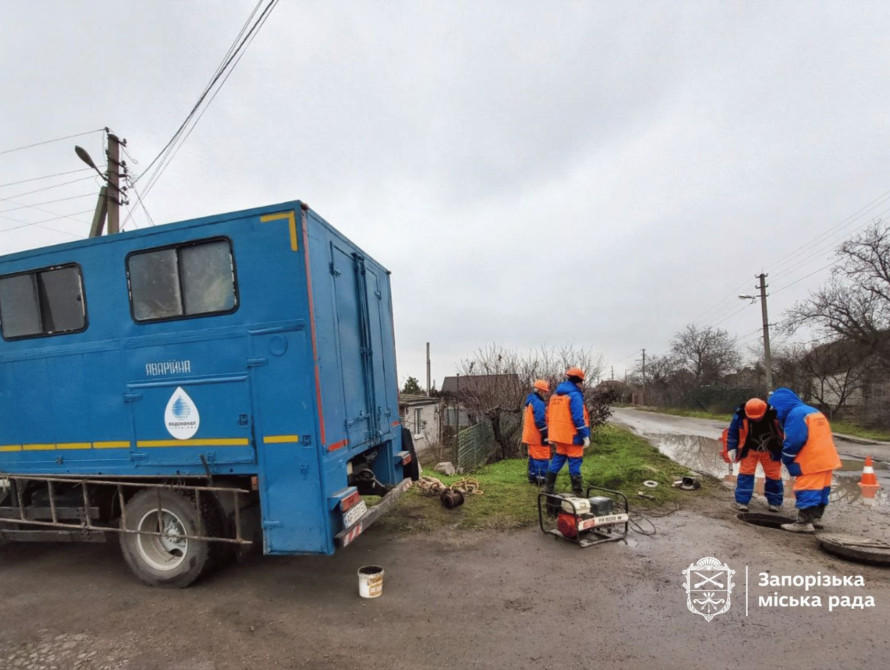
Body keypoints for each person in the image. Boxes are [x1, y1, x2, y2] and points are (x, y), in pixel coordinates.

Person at [768, 387, 842, 533]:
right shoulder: (812, 411)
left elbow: (794, 440)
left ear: (781, 404)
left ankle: (804, 523)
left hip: (810, 460)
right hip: (827, 458)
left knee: (807, 489)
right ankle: (816, 518)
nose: (775, 412)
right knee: (821, 490)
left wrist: (787, 457)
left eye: (775, 408)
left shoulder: (795, 415)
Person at [726, 398, 784, 512]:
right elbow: (733, 433)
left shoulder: (775, 415)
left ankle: (775, 503)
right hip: (749, 449)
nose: (756, 419)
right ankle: (742, 501)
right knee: (745, 474)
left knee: (774, 475)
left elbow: (786, 431)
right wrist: (731, 448)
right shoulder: (740, 415)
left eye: (758, 417)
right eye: (753, 418)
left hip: (771, 450)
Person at [543, 367, 590, 497]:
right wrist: (585, 435)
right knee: (575, 462)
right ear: (579, 381)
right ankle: (577, 492)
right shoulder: (575, 395)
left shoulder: (554, 396)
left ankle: (548, 487)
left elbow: (548, 416)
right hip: (572, 436)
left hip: (559, 436)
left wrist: (551, 433)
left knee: (558, 459)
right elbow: (578, 418)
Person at [522, 379, 551, 484]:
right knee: (542, 457)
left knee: (533, 457)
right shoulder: (538, 403)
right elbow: (539, 420)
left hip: (530, 435)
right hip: (537, 435)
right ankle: (541, 479)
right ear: (540, 391)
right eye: (544, 391)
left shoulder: (530, 401)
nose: (545, 394)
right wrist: (546, 433)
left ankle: (533, 477)